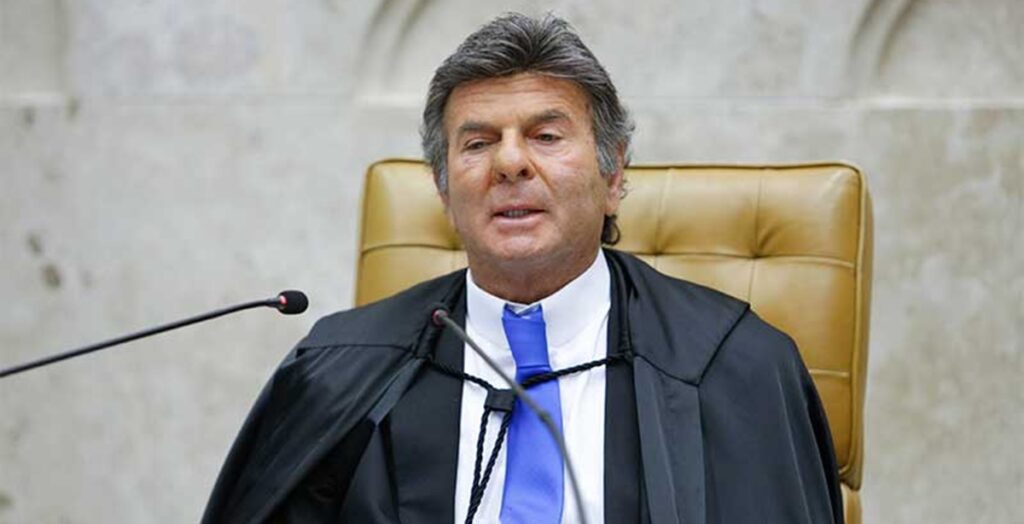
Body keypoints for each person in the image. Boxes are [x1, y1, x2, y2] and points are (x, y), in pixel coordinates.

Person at [202, 13, 844, 524]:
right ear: (443, 189)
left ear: (613, 175)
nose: (509, 163)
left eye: (546, 136)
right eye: (478, 143)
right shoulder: (337, 370)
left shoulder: (736, 366)